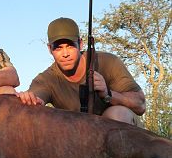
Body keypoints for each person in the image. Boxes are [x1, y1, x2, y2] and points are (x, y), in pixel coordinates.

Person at [17, 17, 146, 125]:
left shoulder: (108, 62)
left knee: (116, 114)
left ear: (81, 44)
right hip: (82, 140)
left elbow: (140, 105)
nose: (65, 54)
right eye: (58, 48)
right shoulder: (46, 79)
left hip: (123, 133)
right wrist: (28, 100)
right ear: (50, 49)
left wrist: (108, 95)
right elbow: (36, 98)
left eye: (70, 46)